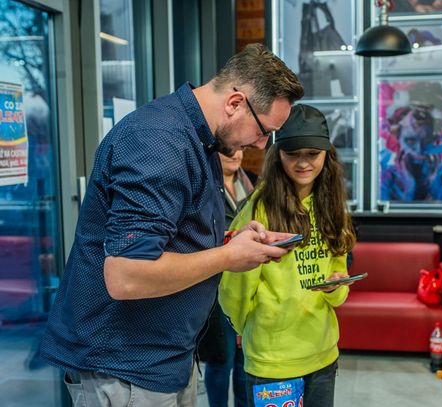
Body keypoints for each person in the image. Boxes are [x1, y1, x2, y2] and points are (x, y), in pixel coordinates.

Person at [39, 43, 304, 406]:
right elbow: (127, 275)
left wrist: (234, 240)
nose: (261, 145)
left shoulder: (200, 140)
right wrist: (228, 257)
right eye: (263, 131)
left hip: (165, 358)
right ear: (235, 103)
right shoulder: (158, 142)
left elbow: (174, 236)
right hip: (124, 366)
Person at [219, 104, 356, 407]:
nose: (303, 163)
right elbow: (234, 283)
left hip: (322, 352)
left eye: (313, 154)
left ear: (327, 155)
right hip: (272, 359)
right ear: (278, 154)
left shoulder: (332, 206)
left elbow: (338, 275)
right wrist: (248, 328)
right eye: (293, 154)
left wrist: (335, 288)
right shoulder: (259, 209)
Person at [198, 151, 256, 407]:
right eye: (228, 151)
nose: (236, 154)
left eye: (240, 149)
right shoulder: (205, 186)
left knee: (245, 360)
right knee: (221, 359)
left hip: (249, 281)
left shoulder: (254, 182)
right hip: (217, 283)